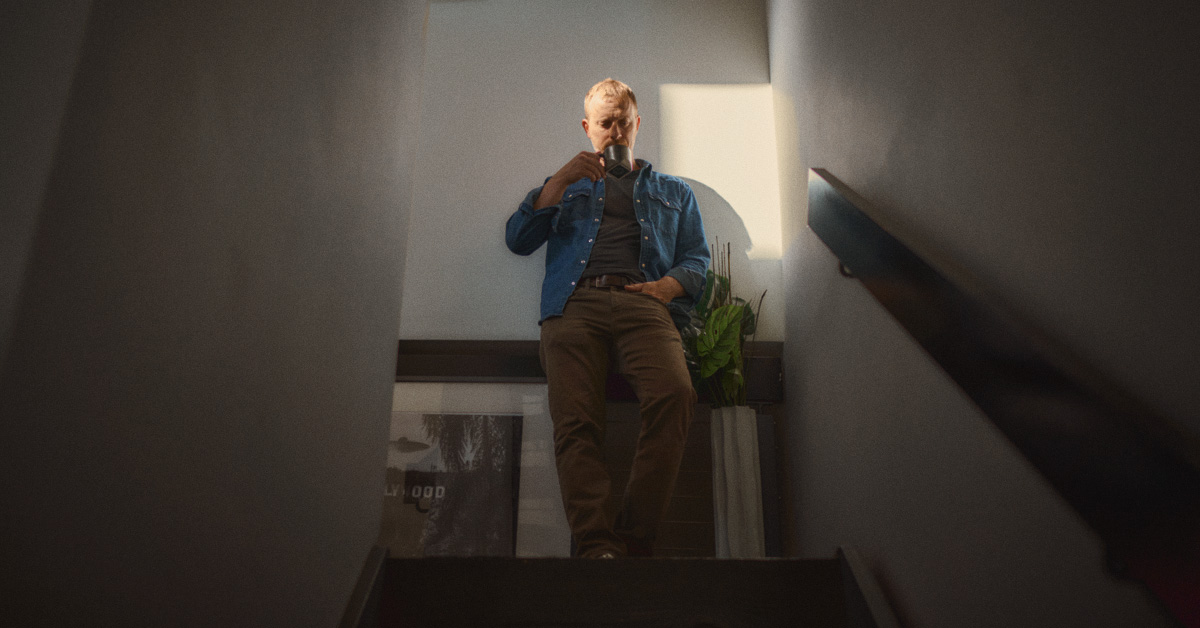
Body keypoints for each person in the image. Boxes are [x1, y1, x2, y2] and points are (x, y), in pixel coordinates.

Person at [505, 78, 710, 558]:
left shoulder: (673, 192)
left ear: (637, 124)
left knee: (676, 394)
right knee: (575, 421)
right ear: (587, 128)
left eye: (623, 122)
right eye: (604, 123)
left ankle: (635, 540)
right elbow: (518, 239)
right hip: (574, 306)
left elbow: (698, 258)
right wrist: (558, 181)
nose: (614, 131)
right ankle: (597, 546)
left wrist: (668, 286)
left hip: (645, 303)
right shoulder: (565, 185)